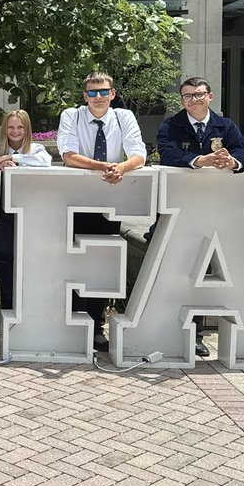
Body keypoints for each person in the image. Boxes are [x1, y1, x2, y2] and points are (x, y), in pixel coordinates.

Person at [156, 76, 244, 358]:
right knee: (177, 271)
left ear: (210, 97)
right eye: (188, 97)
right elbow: (166, 152)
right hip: (179, 209)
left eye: (199, 95)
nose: (194, 101)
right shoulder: (172, 125)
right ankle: (167, 327)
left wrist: (231, 162)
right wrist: (200, 161)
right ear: (182, 101)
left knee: (204, 273)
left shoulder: (225, 126)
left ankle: (196, 334)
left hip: (216, 211)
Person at [55, 71, 147, 352]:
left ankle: (96, 326)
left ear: (112, 94)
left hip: (109, 199)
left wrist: (121, 167)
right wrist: (105, 166)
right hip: (75, 200)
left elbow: (139, 154)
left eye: (103, 92)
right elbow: (68, 156)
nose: (98, 97)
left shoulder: (123, 117)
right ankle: (72, 324)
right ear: (85, 96)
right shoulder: (71, 115)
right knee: (73, 262)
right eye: (92, 93)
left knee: (102, 264)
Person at [0, 110, 51, 309]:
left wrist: (16, 161)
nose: (15, 131)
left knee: (31, 279)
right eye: (11, 127)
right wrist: (0, 163)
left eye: (20, 127)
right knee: (7, 282)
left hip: (31, 223)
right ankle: (9, 326)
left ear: (27, 129)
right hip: (3, 227)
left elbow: (45, 163)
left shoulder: (37, 151)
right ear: (5, 130)